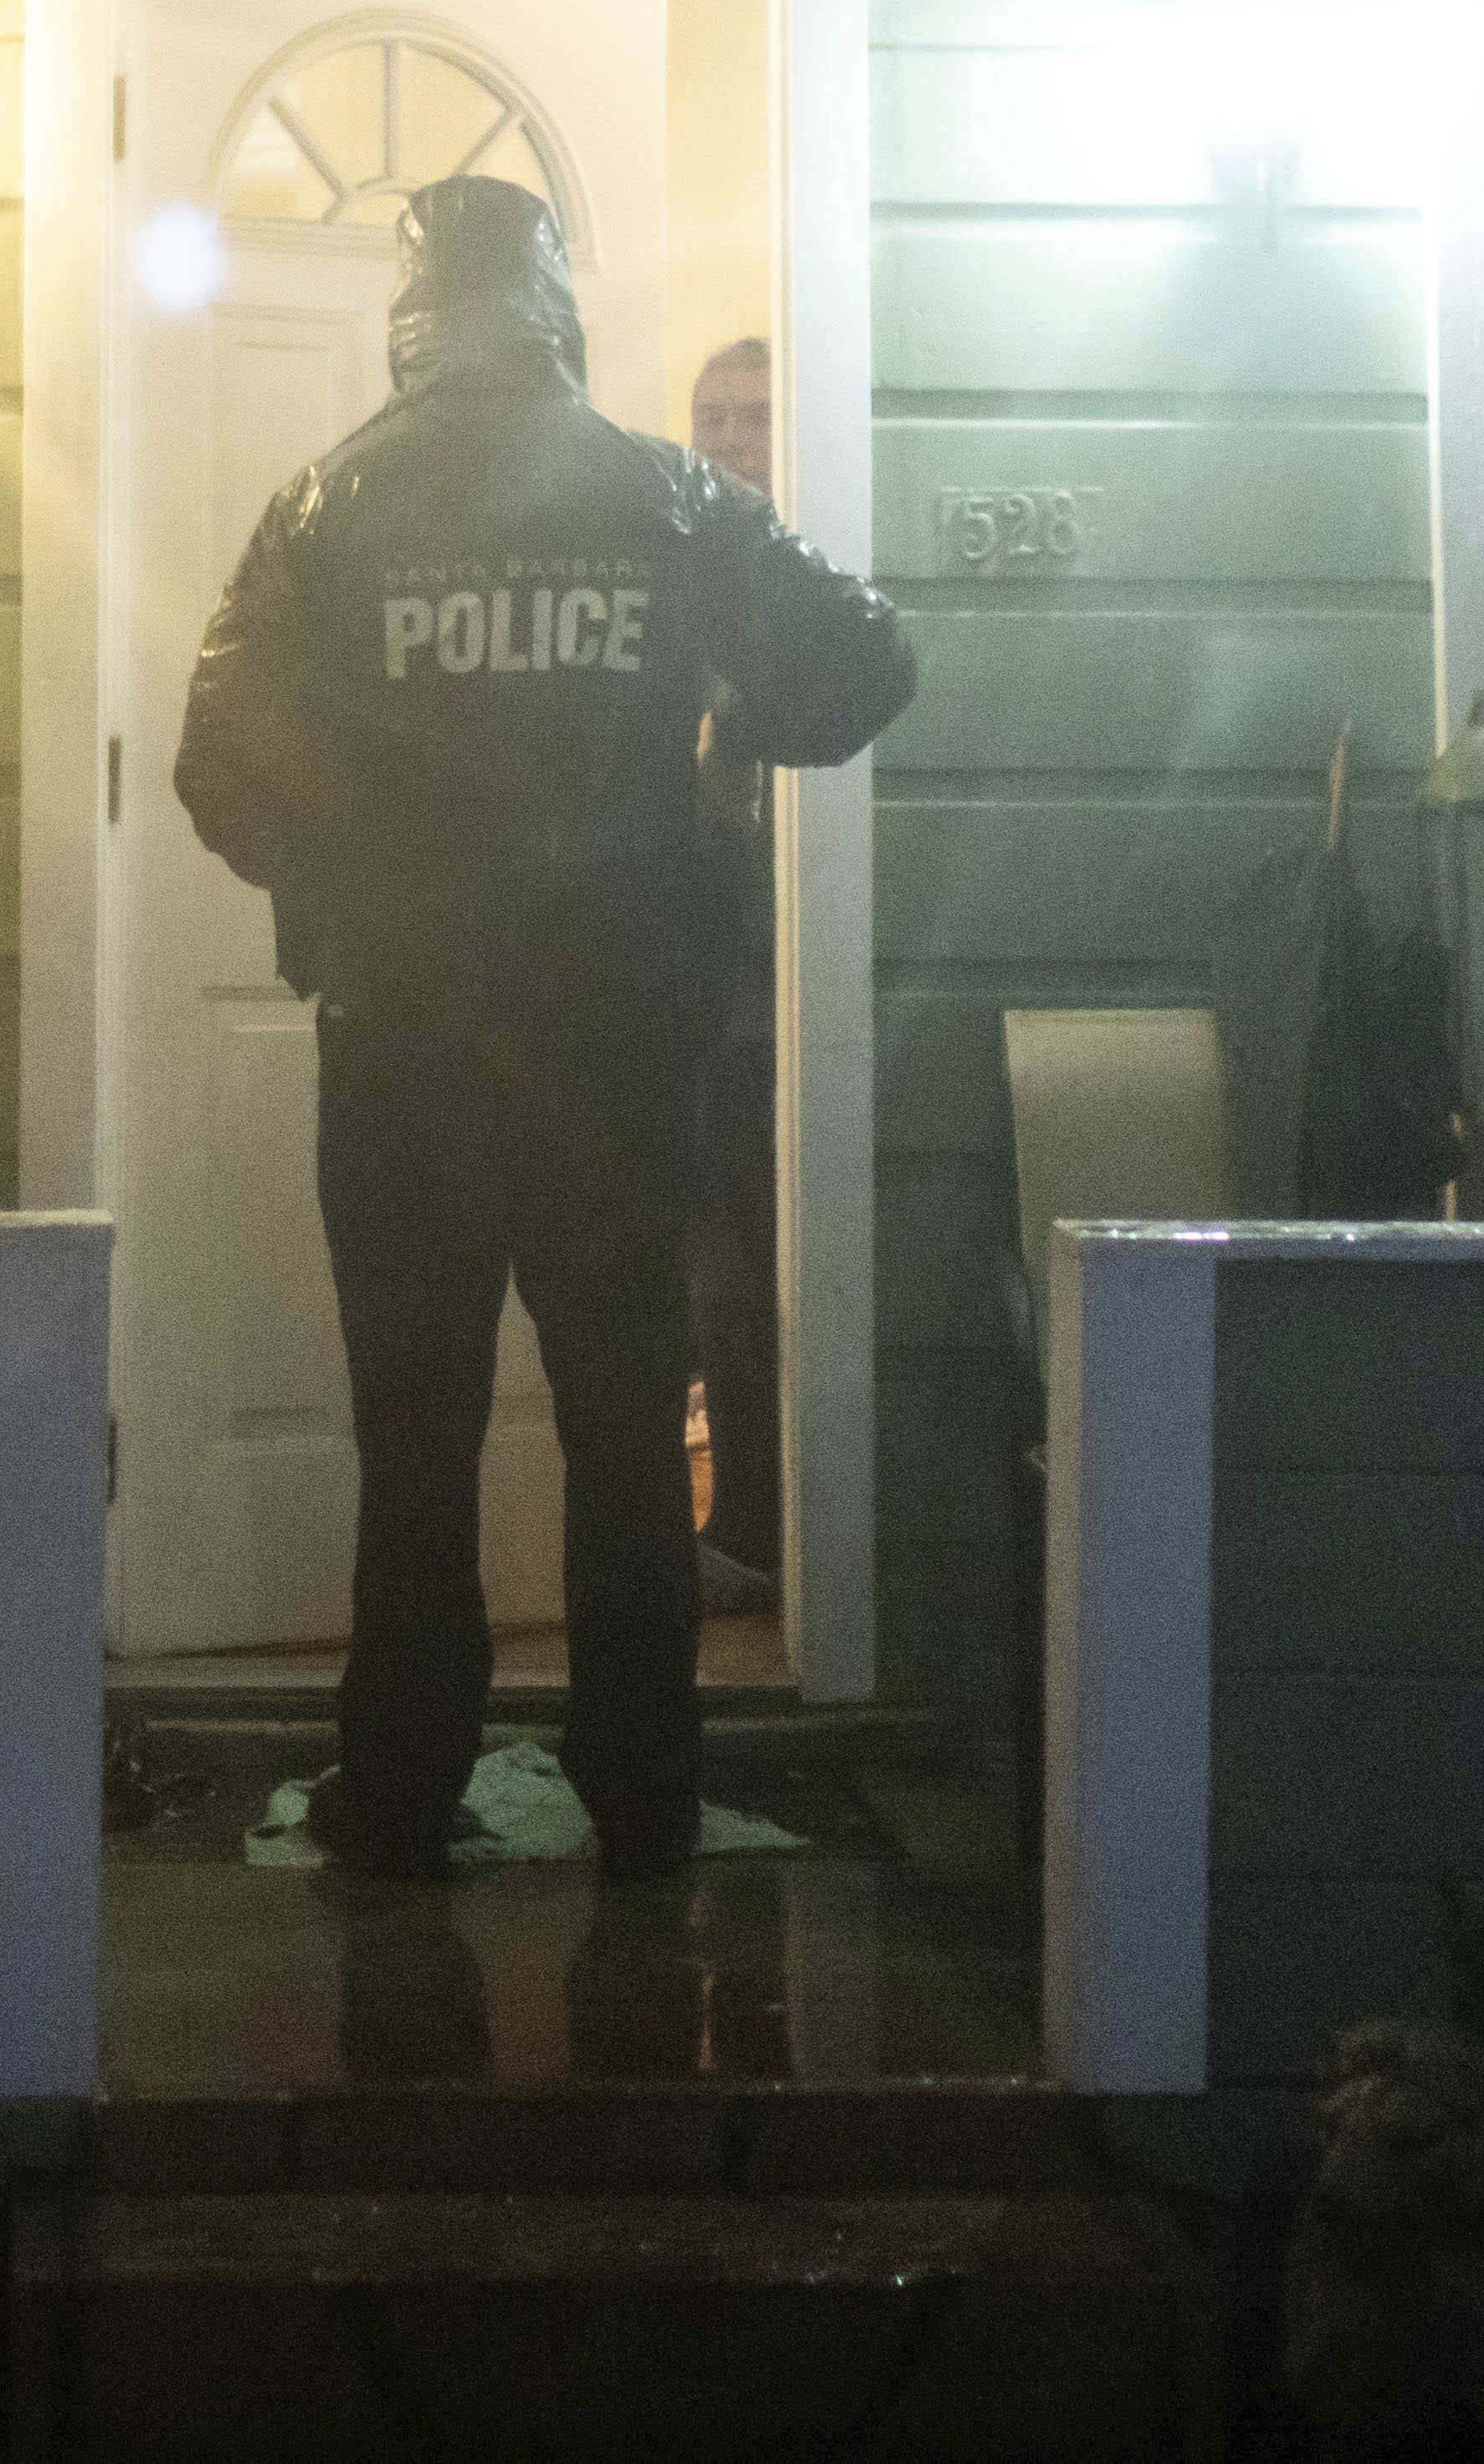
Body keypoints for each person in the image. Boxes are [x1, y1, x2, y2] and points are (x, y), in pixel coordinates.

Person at [175, 184, 913, 1882]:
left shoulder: (322, 505)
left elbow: (217, 760)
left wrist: (351, 884)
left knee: (413, 1435)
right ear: (557, 305)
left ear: (412, 311)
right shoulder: (665, 495)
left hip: (402, 1057)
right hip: (616, 1054)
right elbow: (868, 662)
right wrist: (729, 726)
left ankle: (405, 1791)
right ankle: (644, 1793)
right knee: (624, 1426)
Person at [675, 336, 787, 1610]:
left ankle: (759, 1528)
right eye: (712, 417)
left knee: (752, 1277)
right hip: (679, 989)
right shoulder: (673, 575)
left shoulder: (792, 592)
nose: (729, 439)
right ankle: (723, 1526)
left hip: (777, 999)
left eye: (753, 415)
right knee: (698, 1280)